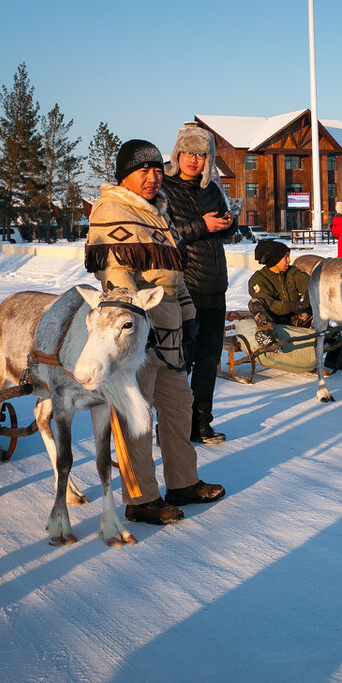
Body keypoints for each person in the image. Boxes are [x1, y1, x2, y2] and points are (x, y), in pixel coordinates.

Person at [85, 138, 225, 525]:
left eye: (155, 169)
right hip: (138, 336)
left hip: (172, 333)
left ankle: (183, 481)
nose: (152, 177)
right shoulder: (112, 209)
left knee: (179, 410)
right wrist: (131, 324)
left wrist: (190, 316)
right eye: (142, 170)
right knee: (135, 416)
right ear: (124, 175)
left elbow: (173, 276)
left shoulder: (158, 212)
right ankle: (140, 497)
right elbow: (116, 273)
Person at [162, 124, 236, 446]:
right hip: (184, 287)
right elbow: (165, 237)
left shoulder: (212, 189)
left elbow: (220, 235)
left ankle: (201, 423)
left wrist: (227, 225)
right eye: (188, 152)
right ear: (178, 154)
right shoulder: (164, 188)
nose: (193, 160)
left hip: (215, 285)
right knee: (180, 361)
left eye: (201, 154)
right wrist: (201, 225)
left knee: (209, 359)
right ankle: (171, 426)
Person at [247, 239, 342, 370]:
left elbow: (311, 284)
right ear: (274, 259)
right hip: (274, 321)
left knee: (333, 330)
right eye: (285, 257)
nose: (289, 260)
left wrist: (309, 296)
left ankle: (333, 360)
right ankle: (267, 336)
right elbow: (270, 305)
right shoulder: (258, 279)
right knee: (255, 302)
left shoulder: (292, 272)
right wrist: (295, 306)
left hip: (294, 319)